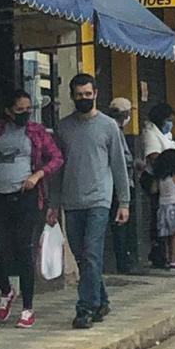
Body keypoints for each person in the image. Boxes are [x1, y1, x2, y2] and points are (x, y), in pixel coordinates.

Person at [0, 89, 63, 329]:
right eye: (19, 110)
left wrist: (38, 175)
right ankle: (7, 291)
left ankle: (28, 307)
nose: (25, 114)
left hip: (25, 197)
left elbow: (57, 158)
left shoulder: (36, 132)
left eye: (28, 109)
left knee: (23, 250)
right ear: (8, 111)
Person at [47, 74, 129, 330]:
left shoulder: (108, 126)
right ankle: (101, 299)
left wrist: (123, 202)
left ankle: (85, 308)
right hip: (71, 202)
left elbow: (118, 166)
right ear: (71, 96)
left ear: (96, 94)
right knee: (82, 257)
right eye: (78, 94)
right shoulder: (63, 128)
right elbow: (57, 169)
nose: (83, 98)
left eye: (87, 94)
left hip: (99, 200)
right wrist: (53, 203)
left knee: (92, 254)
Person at [140, 103, 175, 268]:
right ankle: (160, 254)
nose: (170, 124)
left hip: (168, 179)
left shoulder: (165, 135)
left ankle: (169, 255)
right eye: (168, 120)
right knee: (160, 218)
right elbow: (154, 158)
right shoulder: (150, 135)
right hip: (157, 179)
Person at [107, 97, 139, 274]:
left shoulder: (116, 129)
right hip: (118, 185)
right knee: (120, 224)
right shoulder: (113, 130)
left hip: (119, 183)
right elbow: (121, 159)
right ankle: (123, 262)